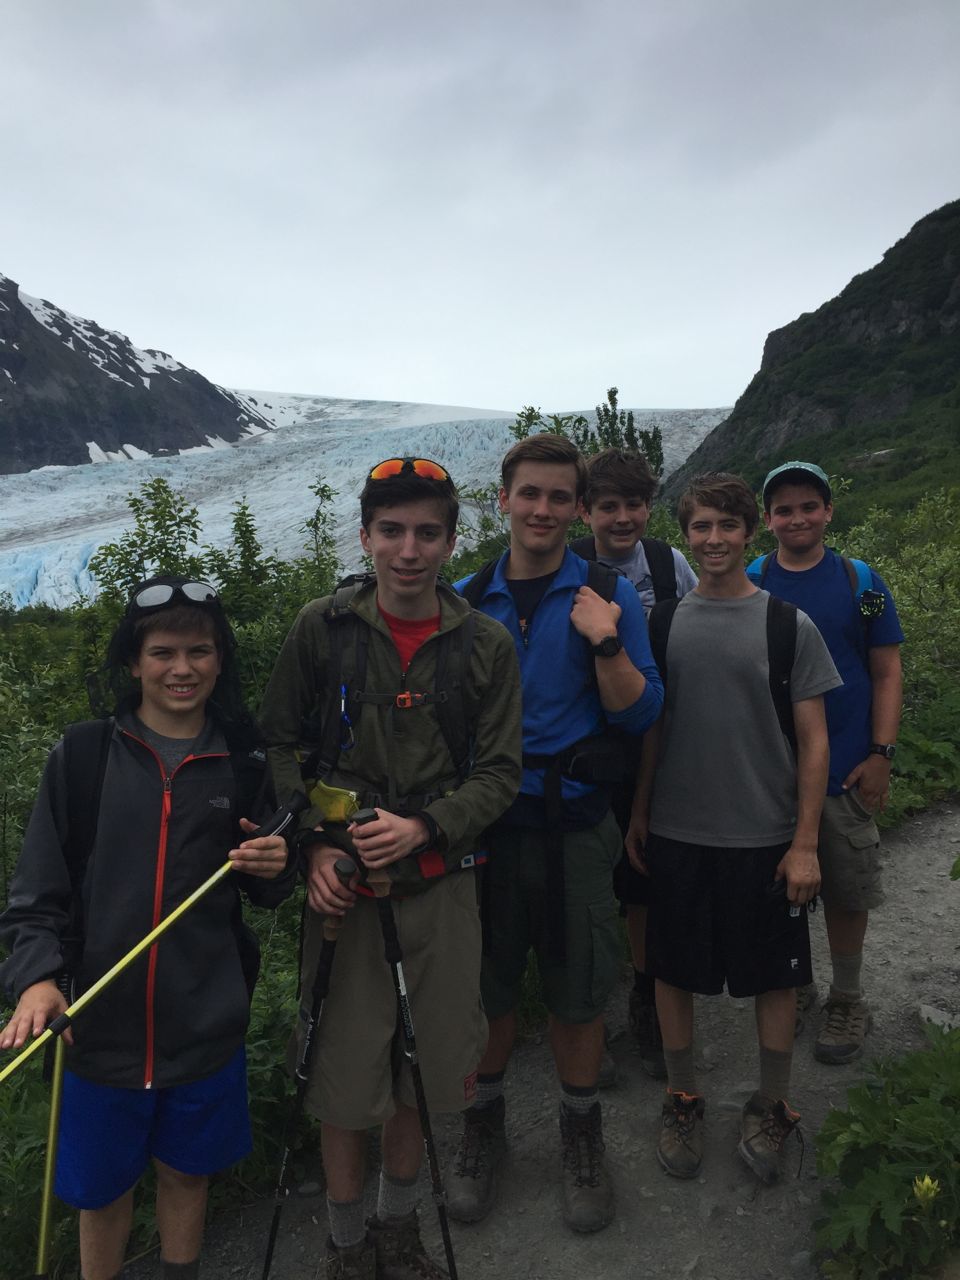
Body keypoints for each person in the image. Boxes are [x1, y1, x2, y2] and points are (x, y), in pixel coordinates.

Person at [259, 456, 522, 1280]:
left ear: (450, 541)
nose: (409, 550)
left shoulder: (485, 643)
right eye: (393, 531)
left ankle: (397, 1232)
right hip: (342, 889)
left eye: (428, 533)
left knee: (424, 1068)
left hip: (439, 884)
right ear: (365, 536)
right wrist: (313, 844)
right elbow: (279, 745)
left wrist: (425, 826)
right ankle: (346, 1246)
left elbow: (502, 772)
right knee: (343, 1076)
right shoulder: (322, 628)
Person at [0, 575, 294, 1280]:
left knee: (187, 1176)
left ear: (221, 658)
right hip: (99, 1033)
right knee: (100, 1197)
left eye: (199, 651)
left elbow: (272, 891)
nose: (182, 668)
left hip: (204, 1028)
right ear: (133, 662)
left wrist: (274, 862)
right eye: (163, 652)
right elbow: (35, 893)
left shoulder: (246, 763)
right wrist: (37, 978)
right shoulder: (84, 757)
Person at [444, 434, 663, 1234]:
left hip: (573, 823)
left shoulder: (608, 594)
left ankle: (581, 1139)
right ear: (501, 498)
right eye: (528, 494)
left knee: (577, 992)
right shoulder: (466, 602)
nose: (542, 510)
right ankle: (483, 1133)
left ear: (576, 508)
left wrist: (605, 638)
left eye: (559, 498)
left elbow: (640, 712)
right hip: (489, 827)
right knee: (487, 991)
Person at [627, 473, 841, 1185]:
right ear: (685, 534)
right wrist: (641, 809)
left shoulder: (787, 624)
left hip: (765, 833)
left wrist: (805, 841)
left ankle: (772, 1103)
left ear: (750, 533)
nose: (712, 540)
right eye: (699, 527)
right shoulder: (663, 623)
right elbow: (653, 726)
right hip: (681, 830)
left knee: (774, 979)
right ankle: (683, 1097)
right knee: (673, 970)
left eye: (725, 526)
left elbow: (814, 742)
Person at [756, 461, 904, 1064]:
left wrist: (880, 754)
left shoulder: (860, 582)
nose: (797, 518)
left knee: (845, 887)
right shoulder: (752, 580)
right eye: (784, 509)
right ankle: (796, 983)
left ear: (828, 512)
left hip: (843, 766)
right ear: (767, 520)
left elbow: (886, 669)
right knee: (776, 888)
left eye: (808, 506)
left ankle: (847, 997)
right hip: (769, 770)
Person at [572, 447, 698, 1077]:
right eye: (608, 506)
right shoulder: (573, 569)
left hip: (662, 737)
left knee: (648, 873)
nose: (622, 518)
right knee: (600, 879)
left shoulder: (666, 563)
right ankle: (591, 1008)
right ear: (585, 510)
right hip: (592, 745)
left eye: (633, 504)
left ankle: (647, 996)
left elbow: (698, 629)